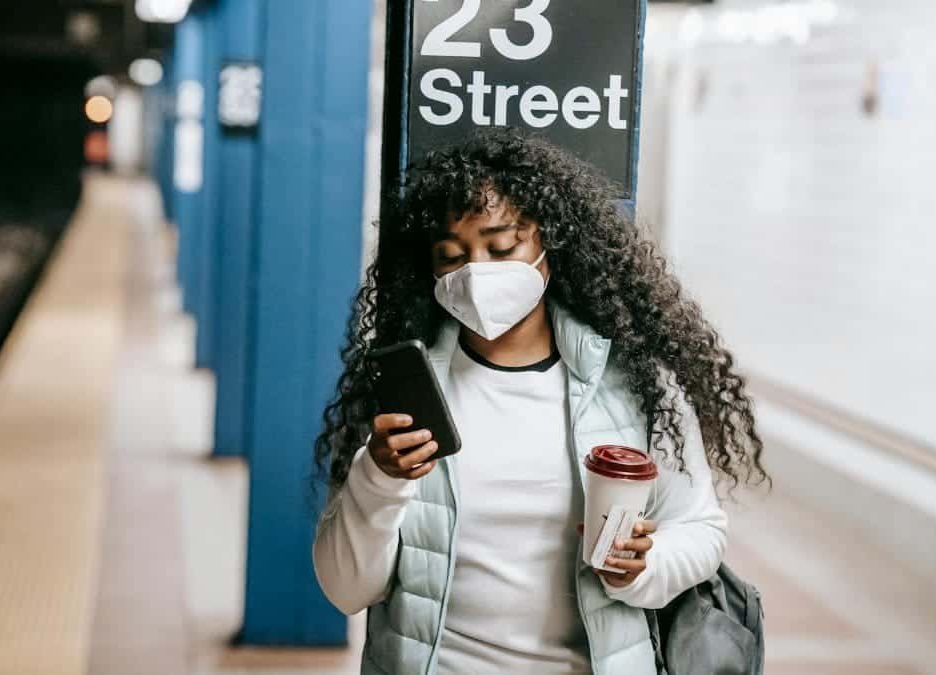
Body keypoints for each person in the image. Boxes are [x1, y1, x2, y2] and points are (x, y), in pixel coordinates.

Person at [312, 129, 768, 675]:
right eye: (452, 256)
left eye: (502, 247)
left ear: (549, 243)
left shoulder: (634, 386)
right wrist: (379, 478)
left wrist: (644, 567)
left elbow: (700, 530)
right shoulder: (405, 393)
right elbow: (345, 588)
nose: (477, 272)